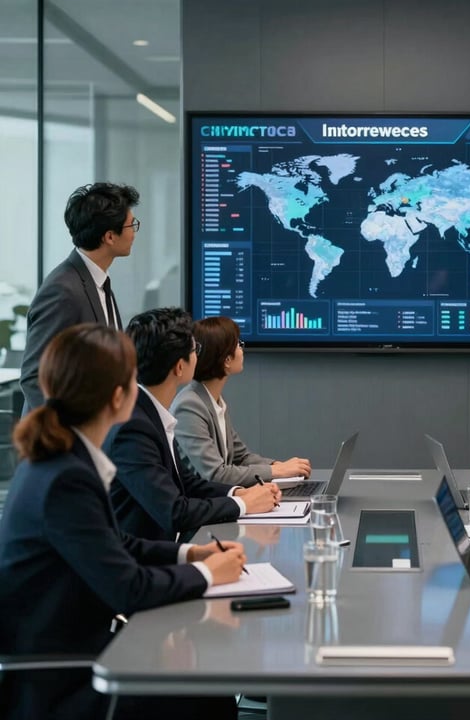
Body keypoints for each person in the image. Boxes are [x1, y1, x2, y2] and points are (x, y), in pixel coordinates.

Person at [0, 324, 245, 720]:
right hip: (62, 681)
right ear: (118, 397)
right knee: (207, 690)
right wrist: (207, 573)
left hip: (79, 653)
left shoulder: (62, 460)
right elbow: (128, 588)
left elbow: (116, 544)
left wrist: (190, 553)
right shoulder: (67, 477)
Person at [105, 308, 280, 542]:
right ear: (179, 367)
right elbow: (174, 512)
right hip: (145, 563)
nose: (199, 355)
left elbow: (187, 483)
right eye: (195, 349)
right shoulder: (133, 428)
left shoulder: (149, 412)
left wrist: (239, 492)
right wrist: (242, 504)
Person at [20, 183, 141, 411]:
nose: (134, 232)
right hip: (60, 440)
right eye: (131, 225)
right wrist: (67, 439)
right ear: (109, 237)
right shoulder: (63, 291)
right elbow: (34, 376)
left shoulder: (97, 280)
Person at [171, 316, 311, 486]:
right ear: (227, 361)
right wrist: (277, 471)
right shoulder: (189, 406)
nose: (242, 349)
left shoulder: (215, 401)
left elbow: (241, 457)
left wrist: (279, 466)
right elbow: (216, 474)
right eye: (238, 345)